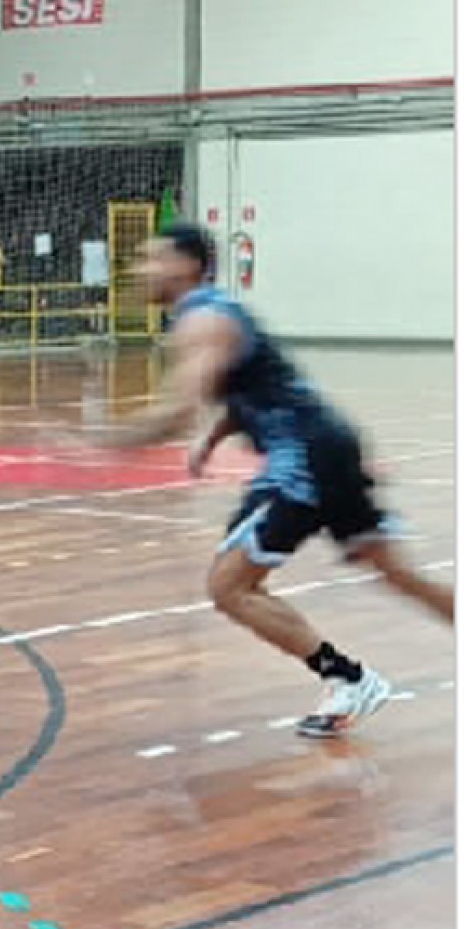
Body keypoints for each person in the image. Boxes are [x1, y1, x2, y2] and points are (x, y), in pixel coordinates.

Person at [85, 224, 452, 736]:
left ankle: (350, 680)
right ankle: (350, 680)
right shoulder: (214, 314)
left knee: (229, 585)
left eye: (152, 258)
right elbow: (254, 388)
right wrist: (214, 440)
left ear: (187, 266)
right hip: (327, 446)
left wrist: (104, 440)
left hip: (305, 458)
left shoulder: (203, 319)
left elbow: (177, 410)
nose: (139, 269)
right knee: (395, 572)